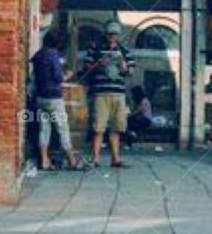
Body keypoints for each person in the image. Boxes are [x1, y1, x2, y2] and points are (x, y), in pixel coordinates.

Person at [84, 20, 135, 168]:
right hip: (100, 92)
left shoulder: (125, 50)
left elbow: (130, 72)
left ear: (119, 35)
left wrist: (124, 68)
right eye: (110, 34)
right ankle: (95, 159)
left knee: (116, 127)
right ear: (105, 33)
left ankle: (115, 159)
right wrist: (99, 64)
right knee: (98, 127)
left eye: (115, 34)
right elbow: (86, 67)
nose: (112, 37)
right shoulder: (95, 47)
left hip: (118, 93)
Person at [30, 29, 82, 172]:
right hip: (54, 97)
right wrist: (69, 75)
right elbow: (59, 78)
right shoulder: (53, 56)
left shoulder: (38, 55)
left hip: (40, 97)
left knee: (44, 129)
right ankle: (72, 161)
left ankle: (45, 161)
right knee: (62, 129)